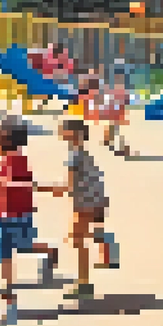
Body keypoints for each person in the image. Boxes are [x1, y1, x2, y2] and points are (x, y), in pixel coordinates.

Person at [0, 115, 57, 326]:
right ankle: (48, 252)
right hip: (11, 216)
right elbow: (26, 183)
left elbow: (22, 184)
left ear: (5, 139)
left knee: (8, 257)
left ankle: (9, 306)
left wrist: (9, 183)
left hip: (13, 217)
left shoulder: (14, 159)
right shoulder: (12, 158)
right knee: (16, 251)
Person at [44, 119, 115, 301]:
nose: (60, 130)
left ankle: (84, 283)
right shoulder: (83, 154)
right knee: (80, 237)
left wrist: (41, 187)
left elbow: (69, 187)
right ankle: (103, 256)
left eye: (64, 128)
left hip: (85, 203)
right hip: (95, 200)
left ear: (73, 135)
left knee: (78, 240)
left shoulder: (74, 156)